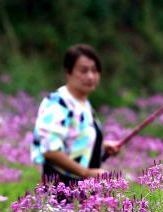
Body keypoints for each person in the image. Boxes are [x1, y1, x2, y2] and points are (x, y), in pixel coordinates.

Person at [31, 44, 120, 184]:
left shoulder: (84, 104)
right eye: (84, 71)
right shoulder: (58, 103)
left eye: (95, 70)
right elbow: (50, 150)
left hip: (83, 192)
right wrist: (86, 173)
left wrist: (102, 147)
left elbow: (74, 140)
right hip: (60, 191)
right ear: (68, 72)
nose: (90, 76)